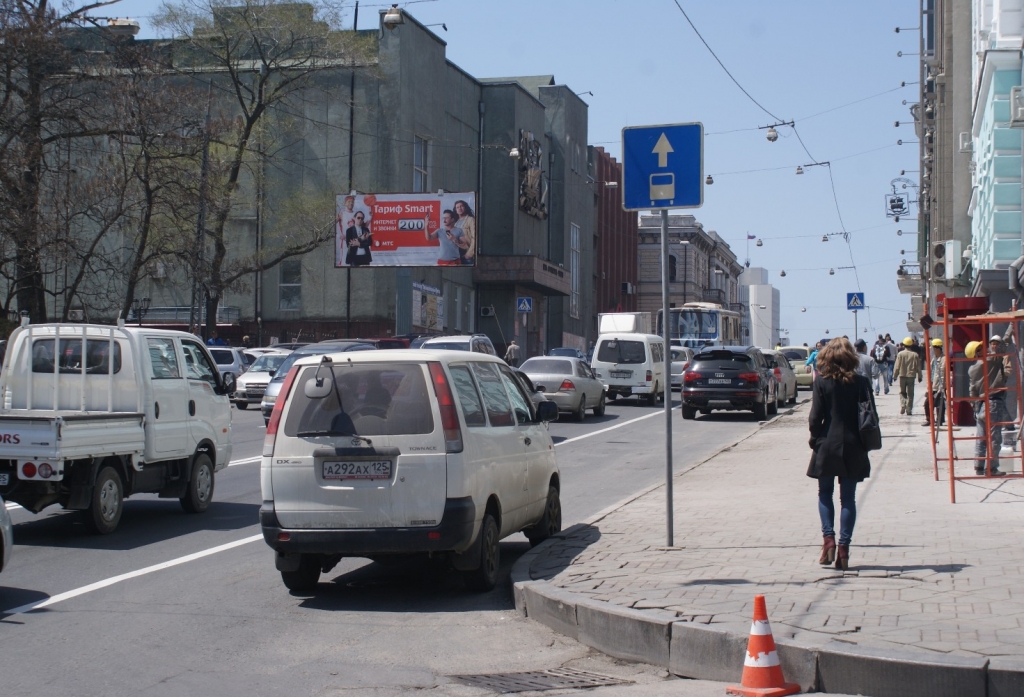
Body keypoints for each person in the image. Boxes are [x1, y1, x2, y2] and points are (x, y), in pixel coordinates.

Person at [807, 337, 873, 571]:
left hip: (827, 443)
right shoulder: (862, 382)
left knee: (824, 492)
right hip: (854, 444)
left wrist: (814, 439)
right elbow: (869, 415)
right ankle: (844, 549)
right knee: (848, 498)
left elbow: (816, 417)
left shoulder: (822, 383)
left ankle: (828, 541)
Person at [967, 332, 1014, 476]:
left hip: (981, 406)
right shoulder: (990, 361)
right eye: (982, 347)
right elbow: (1002, 346)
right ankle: (992, 468)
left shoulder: (972, 369)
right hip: (993, 403)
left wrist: (975, 407)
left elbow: (972, 391)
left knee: (981, 438)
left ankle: (979, 466)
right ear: (978, 351)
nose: (987, 348)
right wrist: (1010, 327)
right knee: (994, 438)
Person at [893, 337, 922, 415]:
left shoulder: (900, 354)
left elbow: (897, 366)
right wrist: (920, 376)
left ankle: (903, 405)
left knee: (902, 392)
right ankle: (909, 409)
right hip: (911, 376)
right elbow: (918, 367)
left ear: (904, 345)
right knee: (910, 394)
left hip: (902, 376)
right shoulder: (915, 355)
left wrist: (895, 375)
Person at [923, 338, 945, 427]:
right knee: (928, 403)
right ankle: (929, 419)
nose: (933, 350)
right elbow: (931, 373)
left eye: (935, 348)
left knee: (939, 404)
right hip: (932, 385)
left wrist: (941, 387)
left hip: (938, 386)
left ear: (938, 348)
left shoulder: (943, 359)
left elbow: (943, 374)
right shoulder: (934, 359)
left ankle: (939, 420)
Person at [454, 199, 476, 266]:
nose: (459, 208)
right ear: (455, 210)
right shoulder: (456, 223)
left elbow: (474, 237)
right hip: (457, 256)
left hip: (467, 255)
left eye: (461, 206)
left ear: (465, 208)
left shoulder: (470, 220)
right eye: (457, 207)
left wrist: (469, 254)